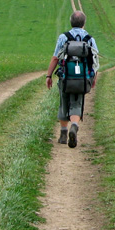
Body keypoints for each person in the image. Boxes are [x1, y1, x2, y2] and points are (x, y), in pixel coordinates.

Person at [46, 10, 98, 148]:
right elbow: (95, 61)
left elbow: (55, 58)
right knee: (77, 103)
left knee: (64, 102)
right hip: (82, 78)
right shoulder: (89, 39)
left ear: (71, 22)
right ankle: (74, 126)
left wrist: (49, 75)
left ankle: (63, 134)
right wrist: (93, 78)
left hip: (65, 77)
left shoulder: (64, 37)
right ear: (84, 23)